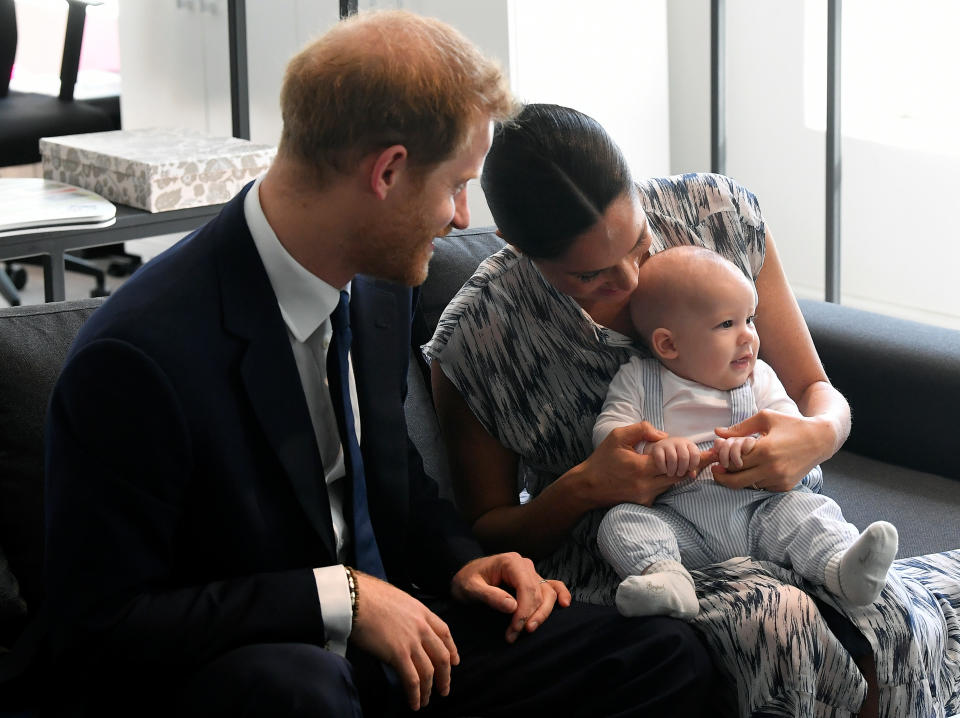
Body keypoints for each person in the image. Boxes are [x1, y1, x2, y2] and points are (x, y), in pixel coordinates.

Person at [42, 12, 715, 718]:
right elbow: (98, 626)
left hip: (400, 653)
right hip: (268, 673)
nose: (461, 218)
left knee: (663, 653)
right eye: (457, 184)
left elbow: (390, 480)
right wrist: (343, 597)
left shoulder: (381, 290)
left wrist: (463, 563)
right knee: (303, 694)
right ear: (387, 171)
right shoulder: (139, 357)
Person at [426, 102, 960, 717]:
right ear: (515, 246)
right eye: (591, 277)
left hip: (767, 510)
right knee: (779, 621)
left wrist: (817, 436)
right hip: (632, 555)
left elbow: (816, 387)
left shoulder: (715, 217)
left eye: (638, 244)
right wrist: (585, 487)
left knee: (884, 607)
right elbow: (486, 533)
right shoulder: (481, 334)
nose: (628, 282)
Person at [593, 245, 898, 620]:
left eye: (749, 319)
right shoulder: (638, 379)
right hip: (679, 520)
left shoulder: (759, 379)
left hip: (762, 509)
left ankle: (842, 568)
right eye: (727, 324)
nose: (748, 337)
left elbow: (790, 427)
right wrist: (655, 447)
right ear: (668, 344)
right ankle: (668, 580)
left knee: (810, 512)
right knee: (619, 522)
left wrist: (757, 445)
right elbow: (609, 433)